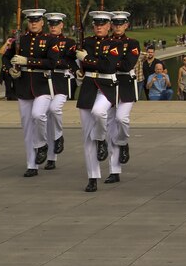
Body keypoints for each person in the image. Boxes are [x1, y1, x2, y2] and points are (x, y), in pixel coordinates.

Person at [3, 8, 56, 177]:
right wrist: (11, 69)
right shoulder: (21, 40)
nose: (33, 23)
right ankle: (31, 164)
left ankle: (42, 144)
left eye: (37, 20)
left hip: (42, 85)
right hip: (23, 85)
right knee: (27, 126)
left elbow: (52, 62)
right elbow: (6, 57)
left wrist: (28, 61)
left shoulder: (50, 40)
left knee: (38, 115)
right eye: (31, 21)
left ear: (42, 22)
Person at [76, 11, 120, 192]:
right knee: (87, 137)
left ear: (109, 26)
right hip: (87, 87)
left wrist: (86, 59)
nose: (99, 27)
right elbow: (72, 61)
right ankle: (92, 177)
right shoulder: (85, 42)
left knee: (99, 112)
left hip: (106, 87)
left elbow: (108, 66)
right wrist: (77, 68)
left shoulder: (114, 44)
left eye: (103, 24)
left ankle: (101, 139)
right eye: (96, 24)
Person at [105, 10, 140, 184]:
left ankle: (123, 141)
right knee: (110, 126)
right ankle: (114, 169)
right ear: (111, 25)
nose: (118, 27)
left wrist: (109, 63)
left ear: (126, 25)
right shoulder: (105, 42)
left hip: (125, 85)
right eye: (115, 24)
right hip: (108, 85)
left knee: (121, 119)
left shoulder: (132, 43)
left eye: (121, 24)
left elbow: (127, 65)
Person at [43, 12, 77, 171]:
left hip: (61, 81)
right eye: (51, 24)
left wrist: (54, 62)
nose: (53, 27)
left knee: (54, 109)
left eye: (56, 24)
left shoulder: (69, 42)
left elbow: (71, 62)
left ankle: (58, 136)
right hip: (43, 81)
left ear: (62, 25)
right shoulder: (43, 40)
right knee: (45, 119)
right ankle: (51, 157)